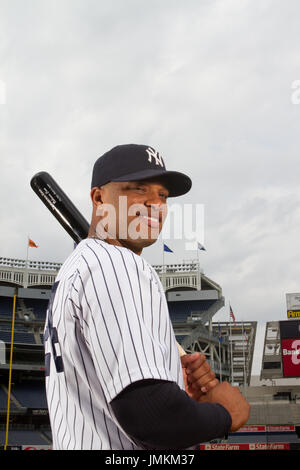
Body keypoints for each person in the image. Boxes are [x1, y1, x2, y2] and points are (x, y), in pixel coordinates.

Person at [44, 144, 250, 450]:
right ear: (99, 198)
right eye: (138, 189)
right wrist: (225, 414)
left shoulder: (78, 267)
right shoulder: (117, 264)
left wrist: (176, 390)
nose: (155, 203)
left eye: (163, 195)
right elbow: (152, 417)